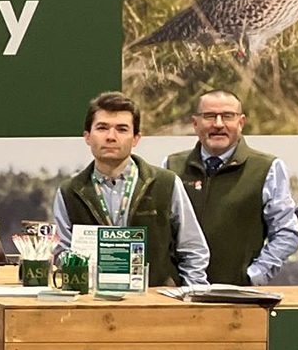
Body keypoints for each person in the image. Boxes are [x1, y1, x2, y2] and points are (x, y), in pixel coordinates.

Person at [53, 92, 210, 287]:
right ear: (87, 136)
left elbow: (193, 249)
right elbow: (61, 253)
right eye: (102, 128)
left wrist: (191, 298)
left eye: (122, 129)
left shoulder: (166, 183)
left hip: (156, 304)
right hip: (90, 305)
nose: (111, 137)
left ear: (136, 138)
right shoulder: (69, 191)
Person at [163, 89, 298, 286]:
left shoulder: (267, 168)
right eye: (209, 116)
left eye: (228, 116)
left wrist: (253, 276)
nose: (218, 124)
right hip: (178, 298)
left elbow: (287, 234)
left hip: (239, 300)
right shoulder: (171, 166)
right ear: (195, 123)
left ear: (241, 122)